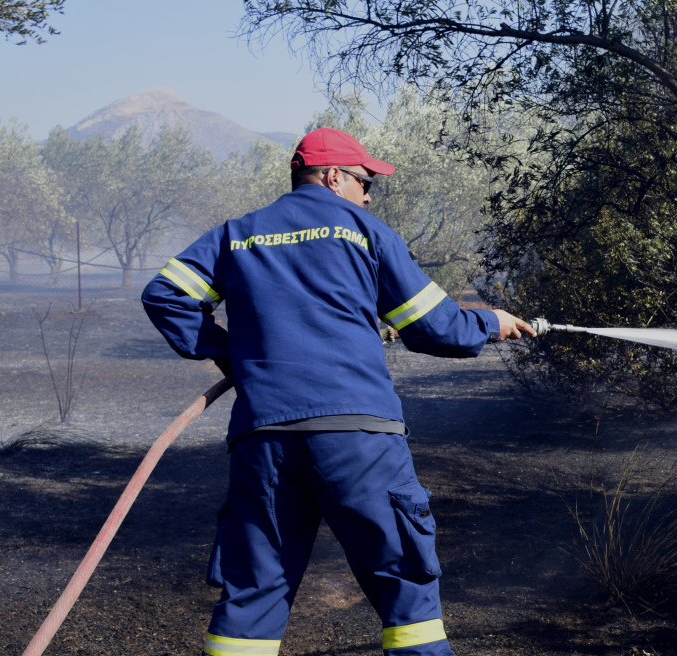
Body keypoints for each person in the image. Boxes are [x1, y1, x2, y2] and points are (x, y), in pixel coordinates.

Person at [141, 126, 535, 656]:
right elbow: (433, 328)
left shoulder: (238, 233)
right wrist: (490, 322)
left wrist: (229, 352)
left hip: (264, 438)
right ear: (332, 177)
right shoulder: (363, 231)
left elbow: (165, 295)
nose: (368, 193)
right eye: (364, 180)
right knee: (406, 587)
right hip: (358, 435)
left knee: (253, 592)